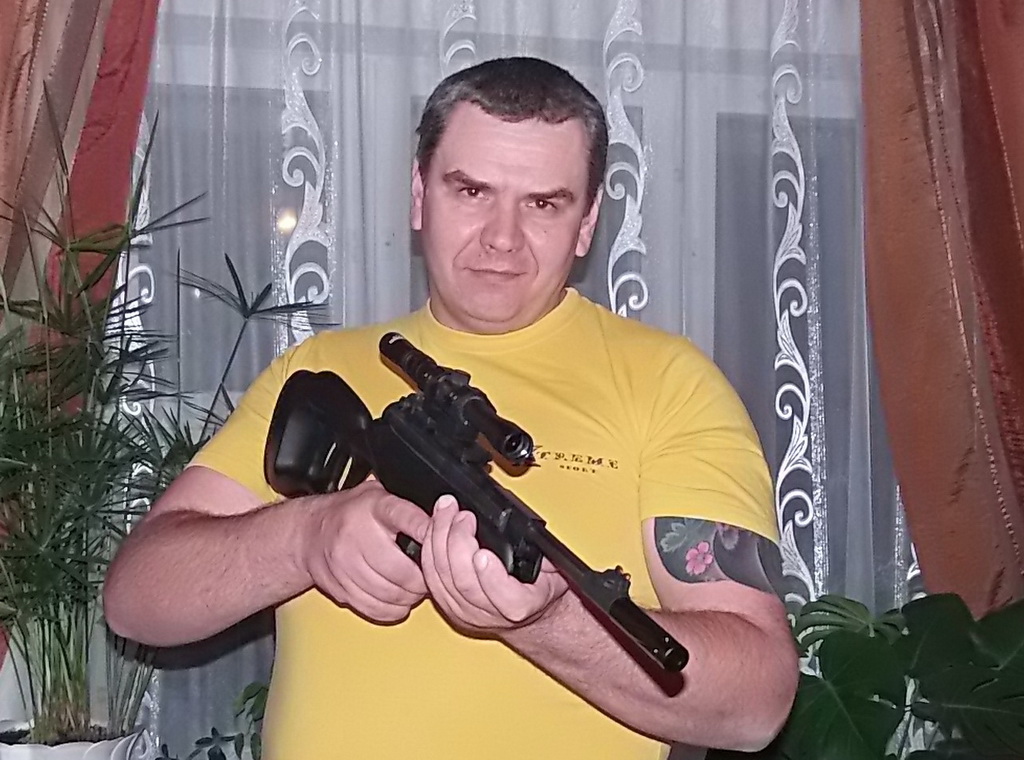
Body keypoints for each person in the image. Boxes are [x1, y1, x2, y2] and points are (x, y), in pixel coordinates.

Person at [104, 56, 797, 760]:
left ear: (587, 222)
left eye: (544, 204)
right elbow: (136, 598)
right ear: (419, 196)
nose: (502, 237)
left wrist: (545, 621)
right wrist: (306, 537)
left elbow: (756, 704)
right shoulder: (324, 372)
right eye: (471, 191)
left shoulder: (669, 384)